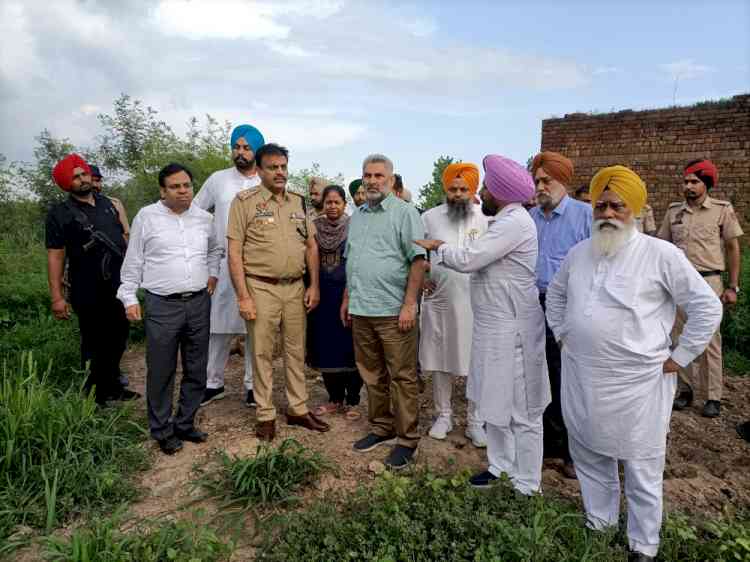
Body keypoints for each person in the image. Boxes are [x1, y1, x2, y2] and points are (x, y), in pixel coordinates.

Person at [545, 165, 722, 562]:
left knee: (641, 464)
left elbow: (707, 307)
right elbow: (556, 297)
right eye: (600, 206)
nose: (606, 213)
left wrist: (681, 356)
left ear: (636, 209)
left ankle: (643, 545)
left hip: (639, 383)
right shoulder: (579, 254)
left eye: (616, 206)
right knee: (590, 454)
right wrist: (562, 333)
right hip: (583, 376)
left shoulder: (661, 255)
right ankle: (599, 523)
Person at [416, 155, 550, 494]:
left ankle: (527, 484)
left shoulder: (514, 222)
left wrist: (439, 247)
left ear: (501, 192)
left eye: (487, 187)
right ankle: (499, 467)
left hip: (514, 331)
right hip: (493, 329)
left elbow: (470, 259)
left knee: (523, 410)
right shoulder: (502, 220)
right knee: (495, 402)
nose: (482, 193)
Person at [118, 163, 223, 455]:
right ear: (163, 191)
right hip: (162, 304)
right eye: (175, 187)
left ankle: (185, 423)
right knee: (162, 369)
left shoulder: (204, 218)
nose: (183, 191)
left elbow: (215, 249)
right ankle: (162, 429)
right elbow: (134, 259)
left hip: (199, 301)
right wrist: (129, 296)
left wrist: (213, 272)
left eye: (187, 185)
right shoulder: (147, 218)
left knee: (196, 366)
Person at [227, 143, 329, 441]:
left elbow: (311, 246)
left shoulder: (298, 202)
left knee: (296, 351)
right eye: (273, 167)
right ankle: (265, 413)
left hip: (296, 287)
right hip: (260, 286)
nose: (280, 172)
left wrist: (314, 285)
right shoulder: (244, 202)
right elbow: (234, 252)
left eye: (283, 166)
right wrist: (243, 296)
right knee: (262, 352)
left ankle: (297, 409)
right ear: (259, 171)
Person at [342, 153, 426, 470]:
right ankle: (381, 426)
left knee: (402, 377)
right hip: (363, 309)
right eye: (368, 175)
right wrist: (348, 298)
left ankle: (407, 439)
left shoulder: (406, 213)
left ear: (391, 180)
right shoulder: (359, 215)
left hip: (394, 312)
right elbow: (354, 260)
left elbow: (418, 260)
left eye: (379, 175)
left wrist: (409, 305)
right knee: (371, 374)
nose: (373, 180)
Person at [46, 154, 136, 405]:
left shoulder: (108, 204)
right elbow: (55, 256)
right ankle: (94, 396)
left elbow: (124, 239)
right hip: (86, 287)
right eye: (76, 177)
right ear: (66, 182)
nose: (83, 179)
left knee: (119, 336)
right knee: (93, 341)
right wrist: (57, 297)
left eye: (84, 173)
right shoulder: (60, 214)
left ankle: (113, 385)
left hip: (117, 285)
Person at [658, 159, 743, 418]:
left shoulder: (721, 210)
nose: (688, 186)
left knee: (709, 340)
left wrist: (733, 286)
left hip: (709, 282)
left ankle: (713, 397)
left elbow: (732, 248)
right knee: (677, 337)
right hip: (679, 284)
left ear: (706, 184)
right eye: (685, 182)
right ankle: (684, 390)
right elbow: (662, 247)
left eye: (694, 182)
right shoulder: (674, 212)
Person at [529, 151, 592, 479]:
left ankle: (572, 450)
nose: (540, 186)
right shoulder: (530, 218)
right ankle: (548, 442)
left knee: (568, 378)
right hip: (533, 306)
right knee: (540, 374)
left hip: (569, 309)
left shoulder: (586, 216)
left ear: (562, 181)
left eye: (546, 180)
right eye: (536, 180)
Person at [193, 124, 265, 408]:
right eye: (236, 146)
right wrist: (208, 243)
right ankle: (213, 383)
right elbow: (197, 213)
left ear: (258, 149)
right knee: (218, 326)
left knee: (255, 327)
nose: (240, 152)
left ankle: (251, 385)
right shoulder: (218, 180)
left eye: (247, 147)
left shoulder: (267, 181)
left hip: (259, 264)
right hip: (223, 263)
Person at [419, 162, 489, 446]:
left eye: (464, 189)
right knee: (440, 359)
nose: (458, 194)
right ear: (445, 189)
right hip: (440, 301)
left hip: (476, 302)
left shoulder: (484, 218)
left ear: (473, 191)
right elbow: (416, 254)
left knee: (477, 362)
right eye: (453, 188)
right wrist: (422, 277)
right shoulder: (429, 217)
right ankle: (444, 416)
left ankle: (476, 421)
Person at [307, 185, 363, 419]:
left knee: (351, 346)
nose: (332, 207)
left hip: (347, 293)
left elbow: (359, 260)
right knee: (325, 346)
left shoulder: (355, 226)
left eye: (336, 202)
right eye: (328, 202)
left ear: (344, 204)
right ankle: (334, 399)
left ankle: (353, 400)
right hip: (321, 296)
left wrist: (352, 293)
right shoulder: (313, 227)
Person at [90, 164, 130, 240]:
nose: (95, 184)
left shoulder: (114, 203)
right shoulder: (73, 209)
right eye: (92, 180)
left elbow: (127, 232)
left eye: (97, 180)